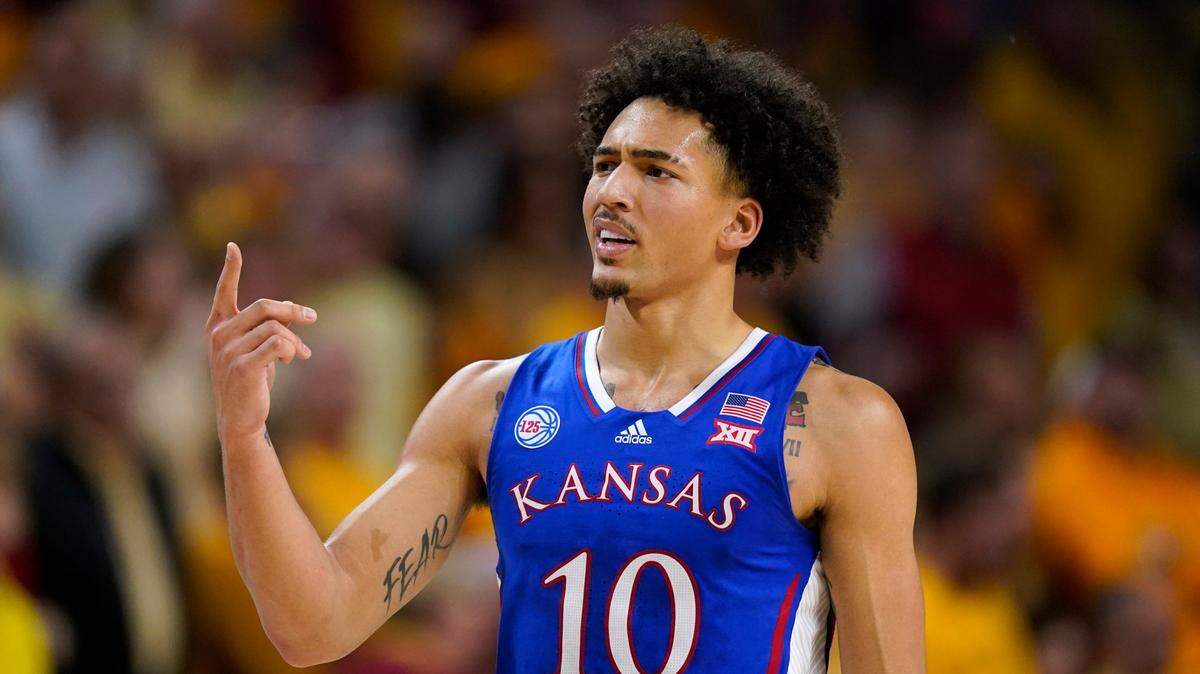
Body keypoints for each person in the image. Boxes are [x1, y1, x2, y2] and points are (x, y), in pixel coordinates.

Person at [205, 27, 924, 672]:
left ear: (738, 223)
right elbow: (313, 625)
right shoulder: (488, 403)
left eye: (655, 171)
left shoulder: (837, 422)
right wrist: (245, 436)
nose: (611, 192)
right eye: (604, 164)